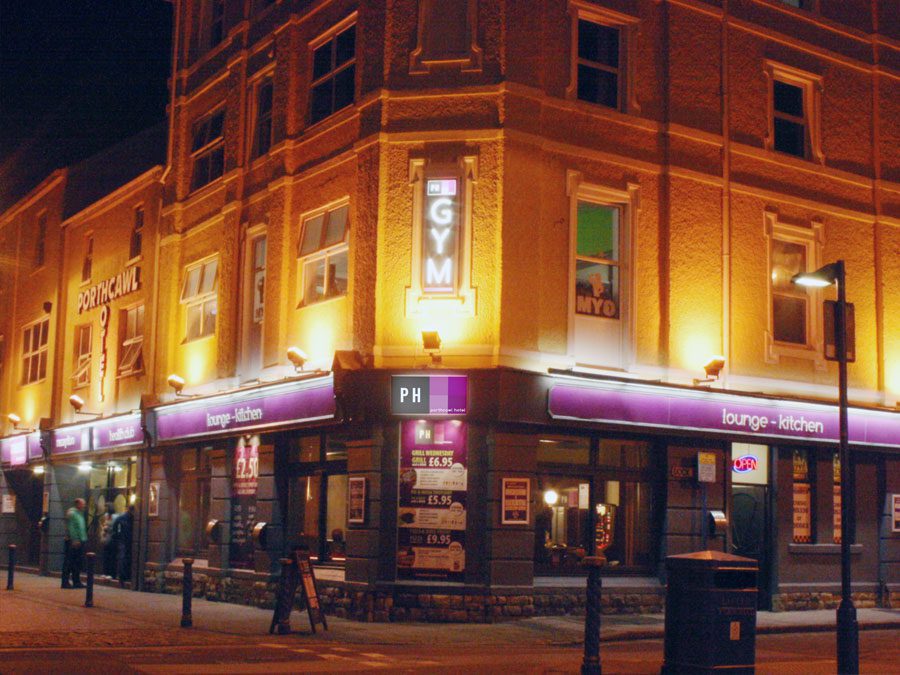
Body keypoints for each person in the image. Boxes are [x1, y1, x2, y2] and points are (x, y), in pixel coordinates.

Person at [61, 498, 86, 589]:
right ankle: (65, 582)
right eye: (83, 504)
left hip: (79, 541)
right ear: (78, 504)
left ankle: (76, 581)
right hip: (73, 541)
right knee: (69, 562)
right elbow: (71, 527)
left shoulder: (79, 514)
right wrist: (75, 539)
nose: (84, 506)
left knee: (77, 563)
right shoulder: (72, 513)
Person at [113, 504, 134, 586]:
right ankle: (122, 578)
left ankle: (124, 577)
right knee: (123, 558)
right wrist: (118, 536)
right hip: (125, 541)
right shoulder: (123, 518)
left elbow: (115, 528)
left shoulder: (123, 518)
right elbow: (115, 528)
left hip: (126, 541)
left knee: (124, 558)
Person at [100, 503, 117, 578]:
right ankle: (105, 572)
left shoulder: (115, 517)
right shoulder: (106, 515)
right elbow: (104, 524)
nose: (105, 509)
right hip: (106, 538)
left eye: (106, 508)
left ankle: (111, 574)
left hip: (112, 539)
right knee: (105, 556)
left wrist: (108, 528)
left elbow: (115, 527)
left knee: (112, 556)